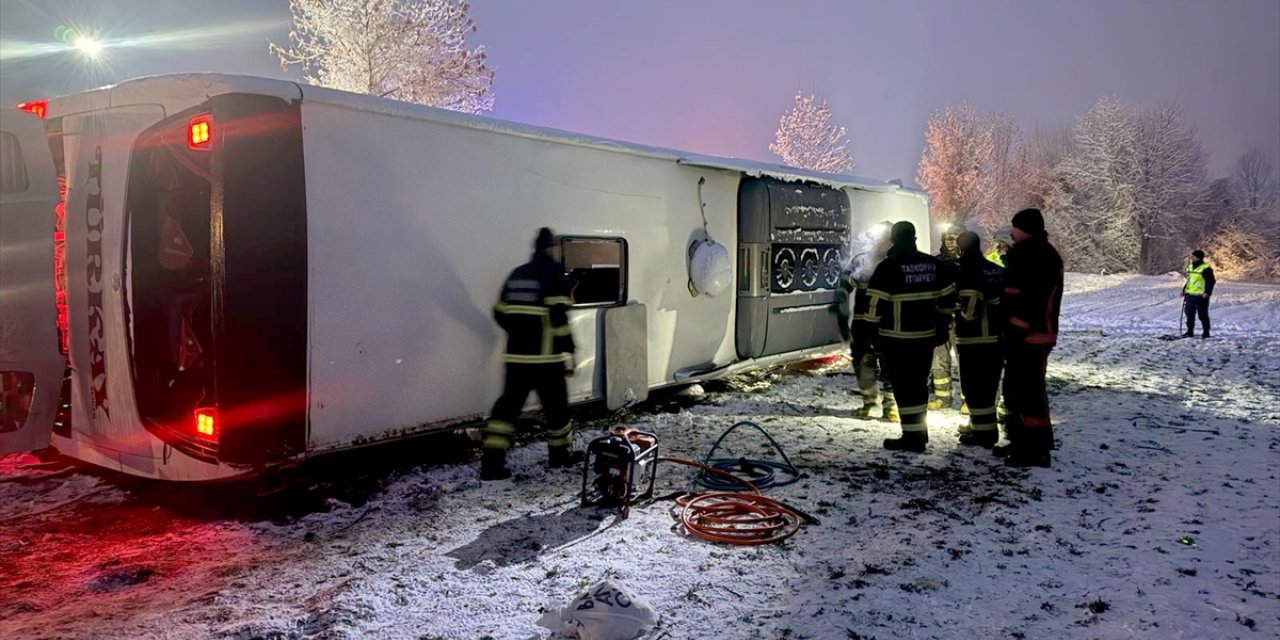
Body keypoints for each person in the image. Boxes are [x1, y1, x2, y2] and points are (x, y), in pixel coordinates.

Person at [481, 228, 581, 480]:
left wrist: (517, 333)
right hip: (546, 360)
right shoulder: (553, 273)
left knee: (507, 410)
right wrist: (569, 348)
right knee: (557, 410)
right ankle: (560, 456)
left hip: (516, 358)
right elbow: (559, 318)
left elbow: (499, 311)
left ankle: (492, 465)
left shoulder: (518, 273)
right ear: (550, 248)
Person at [866, 221, 956, 452]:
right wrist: (942, 324)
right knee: (918, 384)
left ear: (894, 239)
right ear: (914, 237)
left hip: (895, 339)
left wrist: (870, 332)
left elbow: (874, 304)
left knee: (903, 387)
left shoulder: (889, 267)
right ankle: (918, 433)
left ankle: (912, 437)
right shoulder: (932, 264)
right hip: (925, 338)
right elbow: (948, 296)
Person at [995, 208, 1063, 468]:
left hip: (1029, 336)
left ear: (1026, 229)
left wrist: (1015, 327)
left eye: (1015, 227)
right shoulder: (1037, 252)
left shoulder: (1035, 255)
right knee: (1014, 390)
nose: (1011, 232)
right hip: (1028, 334)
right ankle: (1020, 440)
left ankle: (1036, 449)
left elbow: (1032, 298)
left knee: (1029, 392)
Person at [952, 231, 1005, 447]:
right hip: (997, 337)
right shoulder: (997, 270)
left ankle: (984, 435)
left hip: (975, 339)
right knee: (988, 386)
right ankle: (980, 425)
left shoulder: (968, 271)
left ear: (961, 248)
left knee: (975, 388)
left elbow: (970, 309)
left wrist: (956, 312)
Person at [841, 224, 898, 421]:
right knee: (868, 361)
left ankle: (886, 406)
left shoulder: (893, 262)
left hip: (880, 323)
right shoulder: (863, 260)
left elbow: (843, 287)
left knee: (886, 363)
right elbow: (844, 286)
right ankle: (875, 403)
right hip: (874, 324)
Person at [929, 223, 963, 410]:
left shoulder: (969, 262)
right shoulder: (935, 263)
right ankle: (942, 398)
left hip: (963, 318)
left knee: (965, 361)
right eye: (947, 237)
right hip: (940, 318)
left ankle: (967, 400)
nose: (950, 241)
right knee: (939, 359)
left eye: (955, 237)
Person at [1182, 250, 1215, 338]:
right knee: (1189, 314)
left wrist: (1207, 292)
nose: (1191, 258)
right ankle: (1189, 331)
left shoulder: (1205, 268)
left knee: (1202, 315)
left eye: (1193, 256)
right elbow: (1190, 280)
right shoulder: (1190, 267)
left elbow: (1210, 281)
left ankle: (1206, 332)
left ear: (1198, 257)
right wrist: (1184, 290)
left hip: (1201, 295)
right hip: (1190, 294)